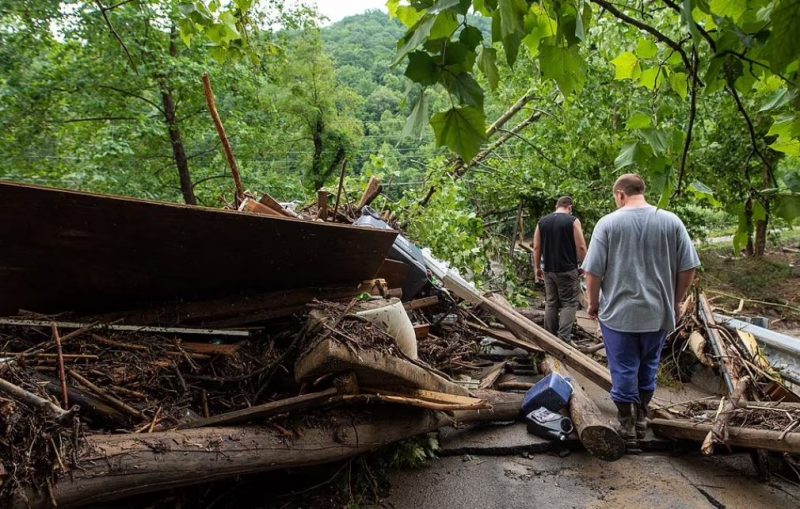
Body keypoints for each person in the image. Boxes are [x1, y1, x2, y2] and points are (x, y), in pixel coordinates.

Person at [582, 174, 700, 444]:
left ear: (620, 194)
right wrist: (676, 300)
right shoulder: (671, 221)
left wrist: (593, 303)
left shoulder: (608, 223)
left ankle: (626, 425)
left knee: (623, 368)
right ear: (641, 191)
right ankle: (642, 419)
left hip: (619, 315)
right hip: (658, 313)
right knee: (649, 366)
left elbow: (593, 272)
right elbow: (688, 267)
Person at [533, 196, 588, 343]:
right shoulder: (572, 221)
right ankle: (563, 339)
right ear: (569, 207)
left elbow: (537, 247)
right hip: (567, 270)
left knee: (551, 302)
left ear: (556, 206)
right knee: (569, 303)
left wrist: (537, 267)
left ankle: (549, 337)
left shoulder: (542, 222)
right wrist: (585, 266)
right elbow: (581, 247)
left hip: (548, 270)